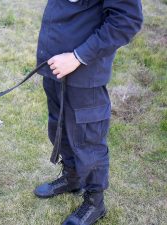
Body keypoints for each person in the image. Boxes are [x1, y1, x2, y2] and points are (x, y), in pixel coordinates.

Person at [34, 0, 143, 224]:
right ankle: (72, 177)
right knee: (59, 126)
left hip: (84, 73)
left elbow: (126, 20)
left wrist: (77, 57)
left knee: (88, 139)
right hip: (53, 66)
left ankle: (95, 202)